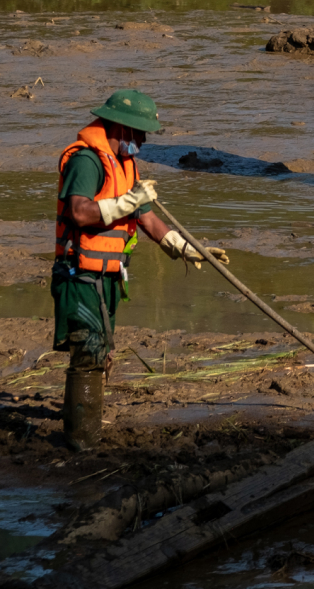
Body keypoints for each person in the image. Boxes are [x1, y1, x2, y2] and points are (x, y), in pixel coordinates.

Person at [52, 89, 228, 450]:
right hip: (80, 274)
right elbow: (80, 212)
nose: (144, 141)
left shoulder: (123, 163)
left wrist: (183, 248)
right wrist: (129, 201)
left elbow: (145, 218)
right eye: (141, 132)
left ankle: (83, 426)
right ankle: (82, 442)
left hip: (108, 274)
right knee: (88, 356)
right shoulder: (87, 161)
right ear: (122, 127)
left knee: (101, 352)